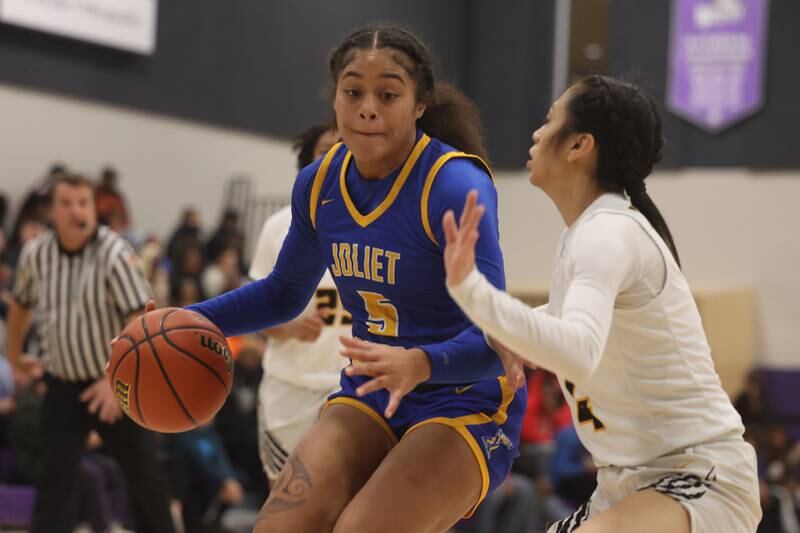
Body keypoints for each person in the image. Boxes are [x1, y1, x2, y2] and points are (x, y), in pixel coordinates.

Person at [183, 24, 526, 533]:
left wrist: (421, 363)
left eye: (388, 94)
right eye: (353, 92)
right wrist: (187, 319)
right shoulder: (318, 183)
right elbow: (283, 292)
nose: (368, 107)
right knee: (277, 527)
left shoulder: (454, 185)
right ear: (335, 98)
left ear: (419, 105)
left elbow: (499, 342)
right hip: (373, 390)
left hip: (467, 399)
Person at [442, 75, 761, 533]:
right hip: (625, 484)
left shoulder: (607, 233)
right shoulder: (586, 234)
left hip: (697, 473)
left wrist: (471, 289)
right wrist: (434, 357)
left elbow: (576, 348)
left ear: (579, 146)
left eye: (550, 120)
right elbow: (551, 325)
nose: (536, 132)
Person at [5, 173, 175, 533]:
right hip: (62, 383)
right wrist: (14, 355)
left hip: (117, 383)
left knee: (144, 476)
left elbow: (141, 320)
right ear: (53, 211)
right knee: (55, 483)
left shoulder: (115, 253)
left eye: (83, 203)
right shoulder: (38, 254)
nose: (76, 211)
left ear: (93, 208)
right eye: (66, 204)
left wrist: (113, 381)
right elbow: (20, 305)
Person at [248, 124, 346, 484]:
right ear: (307, 165)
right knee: (285, 504)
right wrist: (288, 327)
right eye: (325, 149)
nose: (336, 155)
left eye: (344, 147)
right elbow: (254, 311)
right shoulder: (278, 227)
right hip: (290, 386)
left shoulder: (384, 224)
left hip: (351, 388)